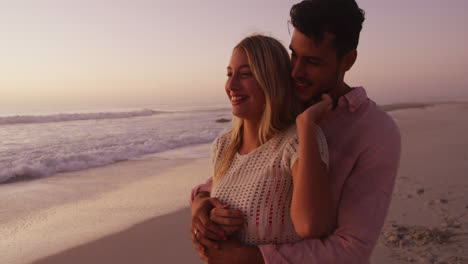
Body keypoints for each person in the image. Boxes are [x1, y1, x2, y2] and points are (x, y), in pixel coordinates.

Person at [190, 0, 402, 263]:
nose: (295, 72)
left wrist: (251, 257)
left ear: (347, 60)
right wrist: (201, 200)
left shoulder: (375, 132)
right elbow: (241, 168)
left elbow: (352, 249)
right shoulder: (281, 102)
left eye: (312, 61)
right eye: (293, 55)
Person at [191, 34, 336, 251]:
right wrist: (204, 211)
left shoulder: (297, 142)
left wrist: (305, 122)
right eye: (229, 74)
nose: (231, 84)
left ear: (271, 81)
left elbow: (310, 225)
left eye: (245, 74)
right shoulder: (223, 147)